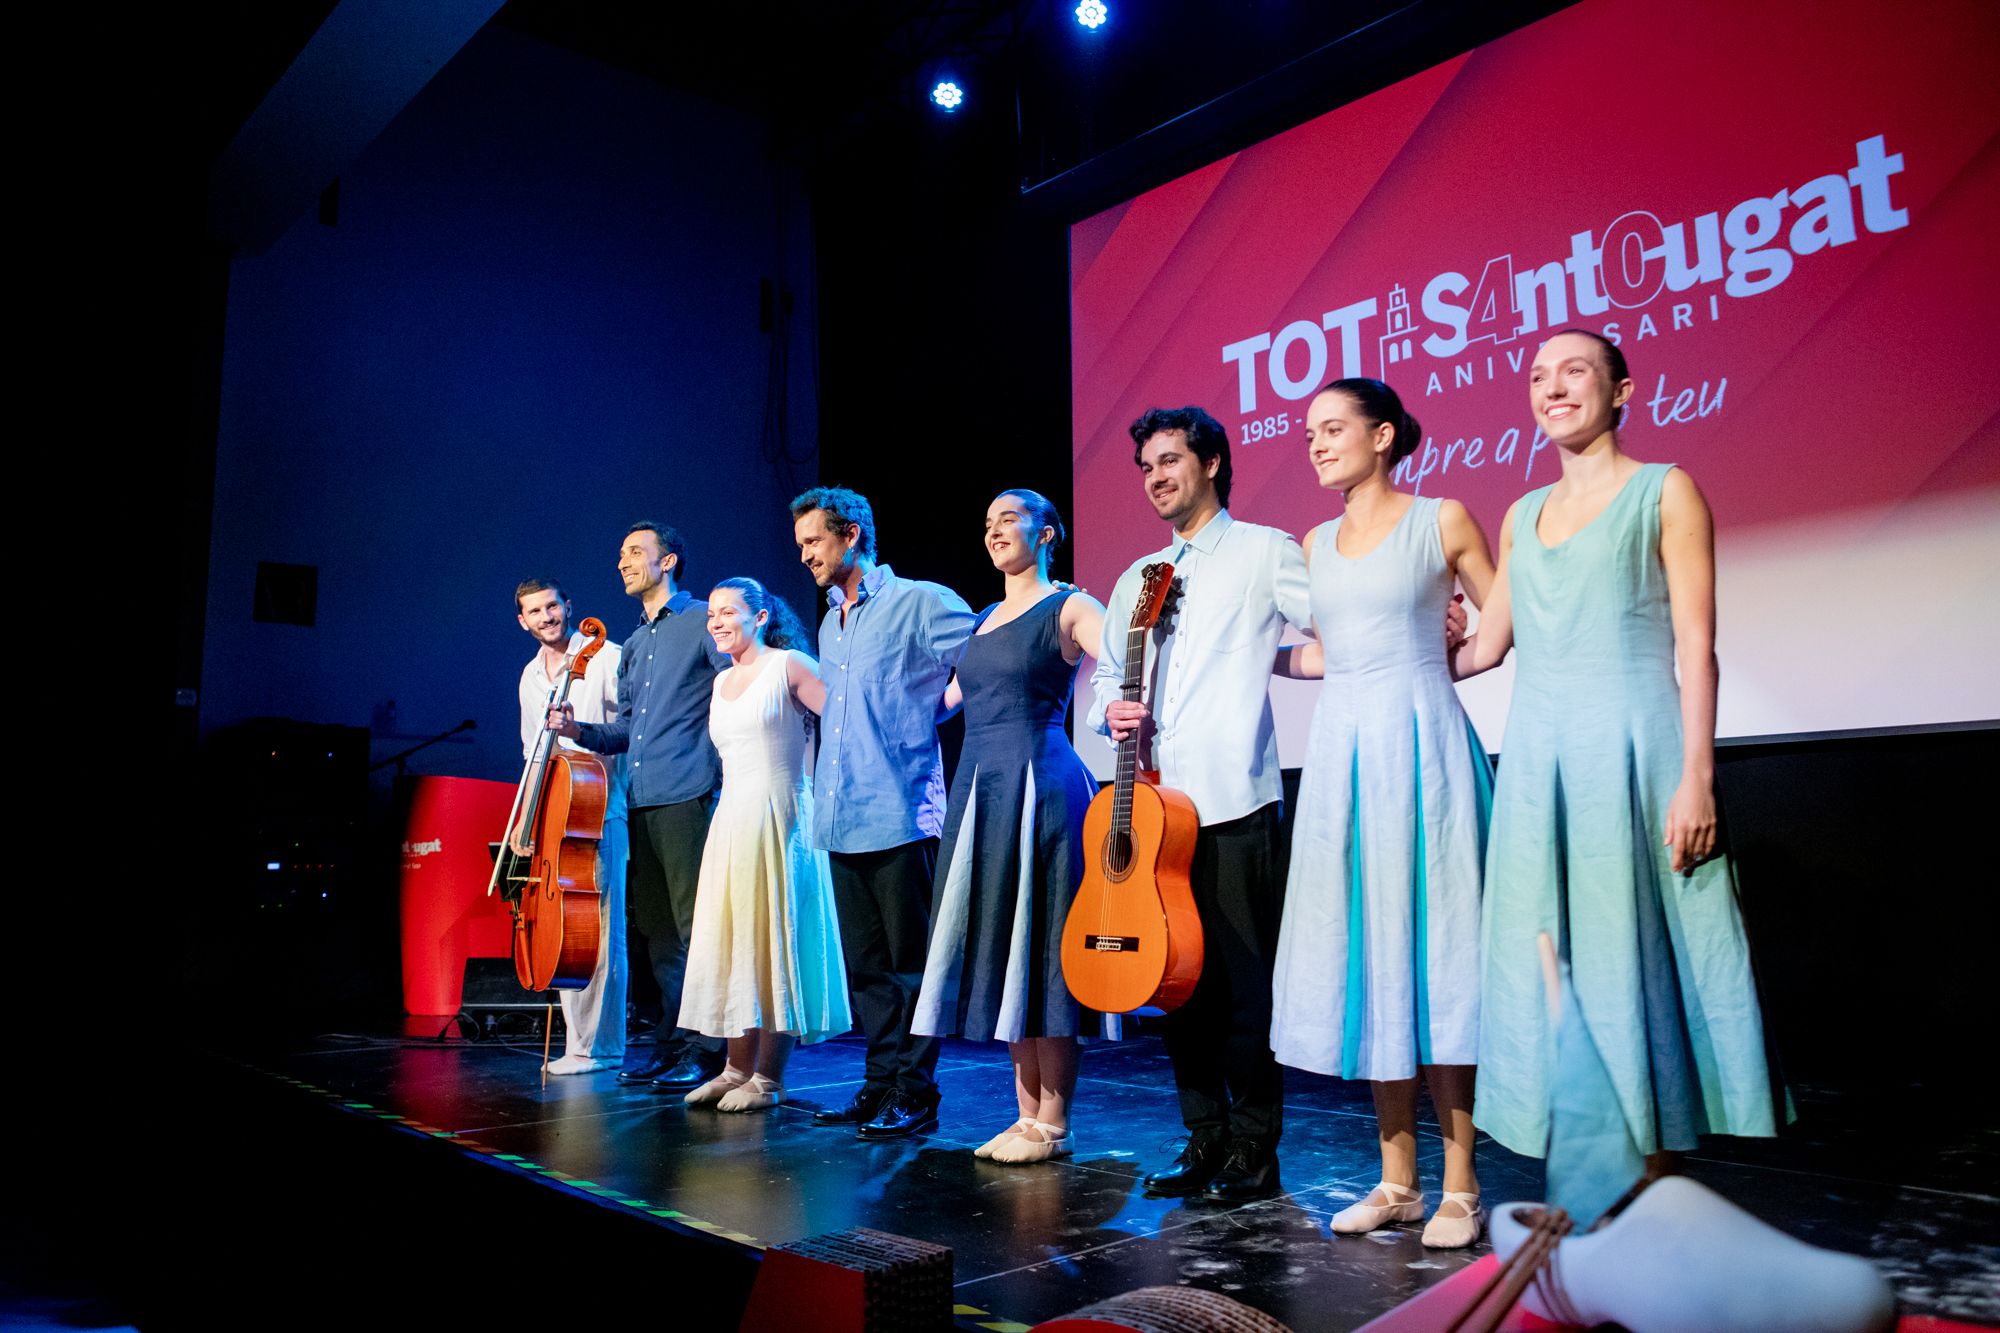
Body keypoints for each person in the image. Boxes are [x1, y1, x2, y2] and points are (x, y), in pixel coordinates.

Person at [1464, 330, 1786, 1174]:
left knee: (1634, 962)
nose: (1552, 388)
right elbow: (1481, 647)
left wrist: (1698, 779)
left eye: (1574, 371)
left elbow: (1696, 645)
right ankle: (1594, 1180)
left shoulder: (1665, 490)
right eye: (1537, 376)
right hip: (1541, 772)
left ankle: (1651, 1187)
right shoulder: (1519, 513)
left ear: (1622, 391)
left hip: (1635, 758)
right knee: (1553, 962)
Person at [1266, 379, 1498, 1247]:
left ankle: (1462, 1185)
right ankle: (1397, 1180)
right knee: (1372, 960)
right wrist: (1266, 659)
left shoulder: (1442, 519)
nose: (1318, 443)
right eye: (1311, 431)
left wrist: (1443, 665)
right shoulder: (1315, 542)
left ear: (1384, 433)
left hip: (1425, 752)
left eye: (1334, 429)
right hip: (1342, 761)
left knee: (1440, 962)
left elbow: (1503, 619)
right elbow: (1328, 650)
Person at [1088, 406, 1314, 1203]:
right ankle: (1204, 1136)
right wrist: (1107, 712)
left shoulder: (1263, 552)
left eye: (1171, 459)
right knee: (1174, 985)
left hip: (1232, 805)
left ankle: (1254, 1150)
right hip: (1152, 812)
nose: (1156, 476)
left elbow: (1333, 620)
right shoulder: (1136, 578)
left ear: (1212, 462)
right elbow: (1105, 679)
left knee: (1244, 991)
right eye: (1146, 464)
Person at [910, 490, 1110, 1164]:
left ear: (1047, 532)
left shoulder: (1071, 605)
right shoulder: (985, 617)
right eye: (987, 519)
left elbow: (1120, 660)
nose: (994, 529)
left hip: (1042, 786)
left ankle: (1054, 1120)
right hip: (982, 790)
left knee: (1047, 947)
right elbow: (947, 703)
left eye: (1009, 518)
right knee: (1009, 948)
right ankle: (1025, 1114)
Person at [793, 486, 978, 1137]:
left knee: (909, 967)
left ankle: (915, 1091)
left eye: (815, 541)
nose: (807, 555)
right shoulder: (831, 622)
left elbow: (983, 658)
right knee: (869, 970)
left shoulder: (919, 602)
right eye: (802, 545)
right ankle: (878, 1083)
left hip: (900, 810)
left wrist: (937, 706)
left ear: (851, 535)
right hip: (842, 815)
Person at [551, 522, 729, 1090]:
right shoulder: (635, 644)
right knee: (658, 932)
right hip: (643, 798)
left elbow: (734, 686)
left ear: (669, 560)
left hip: (689, 792)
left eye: (635, 552)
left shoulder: (704, 619)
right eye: (621, 553)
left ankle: (710, 1048)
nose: (623, 562)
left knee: (695, 925)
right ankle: (674, 1043)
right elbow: (627, 728)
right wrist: (580, 729)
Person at [676, 578, 851, 1112]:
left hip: (783, 818)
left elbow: (843, 725)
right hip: (732, 820)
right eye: (712, 614)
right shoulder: (720, 683)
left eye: (729, 611)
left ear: (760, 616)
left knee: (776, 937)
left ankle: (768, 1078)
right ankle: (734, 1068)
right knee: (734, 942)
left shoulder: (790, 664)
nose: (718, 621)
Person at [511, 577, 629, 1075]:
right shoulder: (529, 676)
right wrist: (525, 818)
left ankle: (599, 1048)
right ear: (523, 621)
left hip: (598, 805)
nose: (546, 617)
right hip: (555, 812)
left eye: (552, 606)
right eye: (534, 611)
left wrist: (577, 733)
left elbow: (627, 729)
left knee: (602, 929)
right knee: (564, 926)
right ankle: (576, 1043)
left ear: (568, 605)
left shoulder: (608, 656)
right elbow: (532, 753)